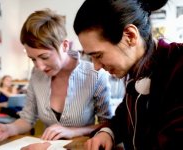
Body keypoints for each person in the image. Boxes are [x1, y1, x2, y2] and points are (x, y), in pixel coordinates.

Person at [0, 8, 114, 146]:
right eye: (32, 59)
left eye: (44, 57)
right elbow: (27, 119)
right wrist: (8, 129)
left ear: (64, 45)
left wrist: (74, 131)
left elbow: (107, 124)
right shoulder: (36, 74)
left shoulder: (95, 74)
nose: (39, 66)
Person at [73, 0, 183, 149]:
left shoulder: (178, 65)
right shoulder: (137, 69)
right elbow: (122, 118)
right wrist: (107, 132)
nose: (96, 67)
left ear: (130, 36)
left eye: (98, 55)